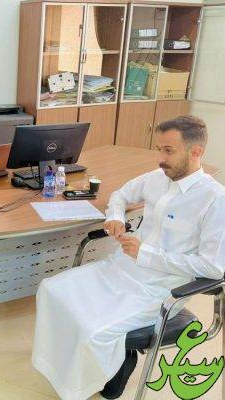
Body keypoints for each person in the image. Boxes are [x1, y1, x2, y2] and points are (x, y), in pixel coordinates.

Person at [32, 115, 225, 400]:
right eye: (159, 149)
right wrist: (116, 217)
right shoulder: (158, 178)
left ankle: (96, 380)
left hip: (157, 289)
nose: (160, 159)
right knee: (50, 289)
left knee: (93, 330)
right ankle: (58, 365)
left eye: (168, 151)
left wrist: (147, 254)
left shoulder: (215, 199)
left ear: (195, 152)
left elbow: (213, 267)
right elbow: (120, 195)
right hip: (119, 269)